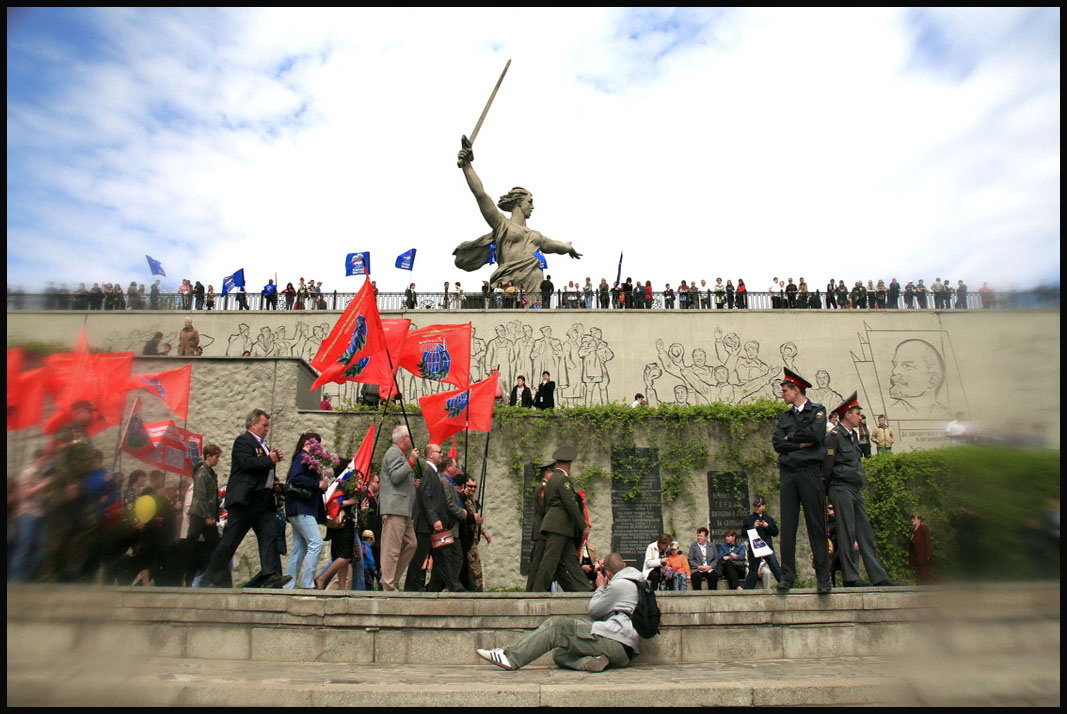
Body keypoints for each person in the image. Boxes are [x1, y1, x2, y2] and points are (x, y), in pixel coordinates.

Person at [454, 138, 582, 294]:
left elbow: (555, 246)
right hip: (508, 284)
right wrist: (467, 166)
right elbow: (481, 195)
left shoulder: (536, 236)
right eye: (530, 202)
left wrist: (568, 247)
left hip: (533, 285)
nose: (532, 206)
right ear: (519, 202)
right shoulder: (503, 225)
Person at [477, 553, 642, 673]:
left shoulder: (619, 585)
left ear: (608, 573)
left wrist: (600, 587)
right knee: (561, 653)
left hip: (616, 640)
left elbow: (594, 610)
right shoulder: (640, 582)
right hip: (626, 652)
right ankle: (591, 662)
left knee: (558, 625)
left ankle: (510, 657)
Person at [199, 409, 290, 589]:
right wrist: (269, 459)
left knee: (269, 534)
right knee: (230, 541)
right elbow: (247, 464)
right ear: (253, 424)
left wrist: (274, 482)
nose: (267, 429)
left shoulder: (263, 445)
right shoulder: (243, 441)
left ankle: (270, 576)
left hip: (262, 500)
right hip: (246, 500)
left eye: (267, 426)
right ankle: (208, 577)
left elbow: (263, 470)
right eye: (264, 425)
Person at [823, 393, 897, 587]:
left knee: (865, 532)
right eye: (857, 413)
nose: (860, 417)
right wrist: (829, 491)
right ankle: (851, 578)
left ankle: (879, 577)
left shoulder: (852, 436)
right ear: (847, 414)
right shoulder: (834, 437)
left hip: (854, 488)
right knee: (847, 532)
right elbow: (827, 466)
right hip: (840, 487)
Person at [772, 368, 832, 594]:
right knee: (788, 526)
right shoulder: (785, 417)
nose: (782, 394)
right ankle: (787, 576)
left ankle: (823, 578)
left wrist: (791, 441)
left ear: (797, 390)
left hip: (809, 471)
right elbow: (778, 443)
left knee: (816, 525)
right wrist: (799, 443)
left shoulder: (817, 411)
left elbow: (816, 436)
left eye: (785, 390)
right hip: (789, 473)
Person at [530, 446, 592, 592]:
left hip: (557, 526)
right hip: (559, 526)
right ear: (568, 464)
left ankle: (585, 589)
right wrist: (583, 526)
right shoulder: (562, 479)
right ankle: (538, 591)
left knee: (570, 560)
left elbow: (546, 505)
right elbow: (570, 504)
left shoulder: (551, 480)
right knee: (549, 561)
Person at [407, 444, 466, 592]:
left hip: (435, 526)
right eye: (439, 452)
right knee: (418, 558)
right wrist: (434, 519)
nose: (442, 454)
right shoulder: (427, 471)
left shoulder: (433, 472)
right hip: (426, 525)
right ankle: (410, 587)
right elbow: (426, 496)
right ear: (431, 455)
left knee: (444, 556)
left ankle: (455, 586)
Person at [282, 432, 329, 590]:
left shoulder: (302, 457)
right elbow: (296, 478)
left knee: (300, 548)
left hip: (298, 508)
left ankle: (288, 585)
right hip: (302, 508)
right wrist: (317, 484)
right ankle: (307, 582)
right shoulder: (302, 457)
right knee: (315, 543)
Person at [378, 425, 419, 591]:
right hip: (395, 508)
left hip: (403, 509)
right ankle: (388, 583)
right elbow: (395, 477)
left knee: (411, 543)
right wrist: (411, 461)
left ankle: (391, 579)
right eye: (409, 437)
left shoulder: (398, 454)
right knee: (392, 549)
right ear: (405, 439)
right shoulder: (394, 453)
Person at [179, 443, 222, 586]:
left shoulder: (209, 472)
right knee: (191, 545)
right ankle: (181, 575)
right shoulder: (202, 472)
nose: (218, 460)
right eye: (216, 457)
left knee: (214, 546)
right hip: (200, 514)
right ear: (208, 456)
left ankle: (215, 578)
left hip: (204, 514)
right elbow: (202, 496)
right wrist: (207, 517)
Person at [524, 462, 555, 592]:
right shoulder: (543, 488)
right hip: (542, 529)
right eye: (552, 472)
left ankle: (538, 588)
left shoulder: (545, 487)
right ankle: (531, 589)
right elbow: (543, 508)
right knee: (537, 561)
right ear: (547, 473)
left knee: (542, 560)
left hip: (544, 529)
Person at [742, 497, 783, 590]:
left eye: (759, 506)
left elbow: (775, 532)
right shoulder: (749, 519)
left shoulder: (768, 519)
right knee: (753, 570)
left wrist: (767, 526)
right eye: (755, 506)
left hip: (767, 547)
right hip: (755, 548)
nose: (756, 508)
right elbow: (743, 533)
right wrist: (753, 527)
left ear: (763, 507)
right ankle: (748, 589)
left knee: (774, 566)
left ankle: (783, 583)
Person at [908, 513, 936, 585]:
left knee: (926, 575)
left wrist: (928, 555)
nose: (912, 520)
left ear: (919, 520)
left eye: (914, 519)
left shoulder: (924, 528)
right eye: (912, 519)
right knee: (919, 576)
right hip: (917, 558)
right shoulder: (914, 530)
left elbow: (927, 541)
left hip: (923, 557)